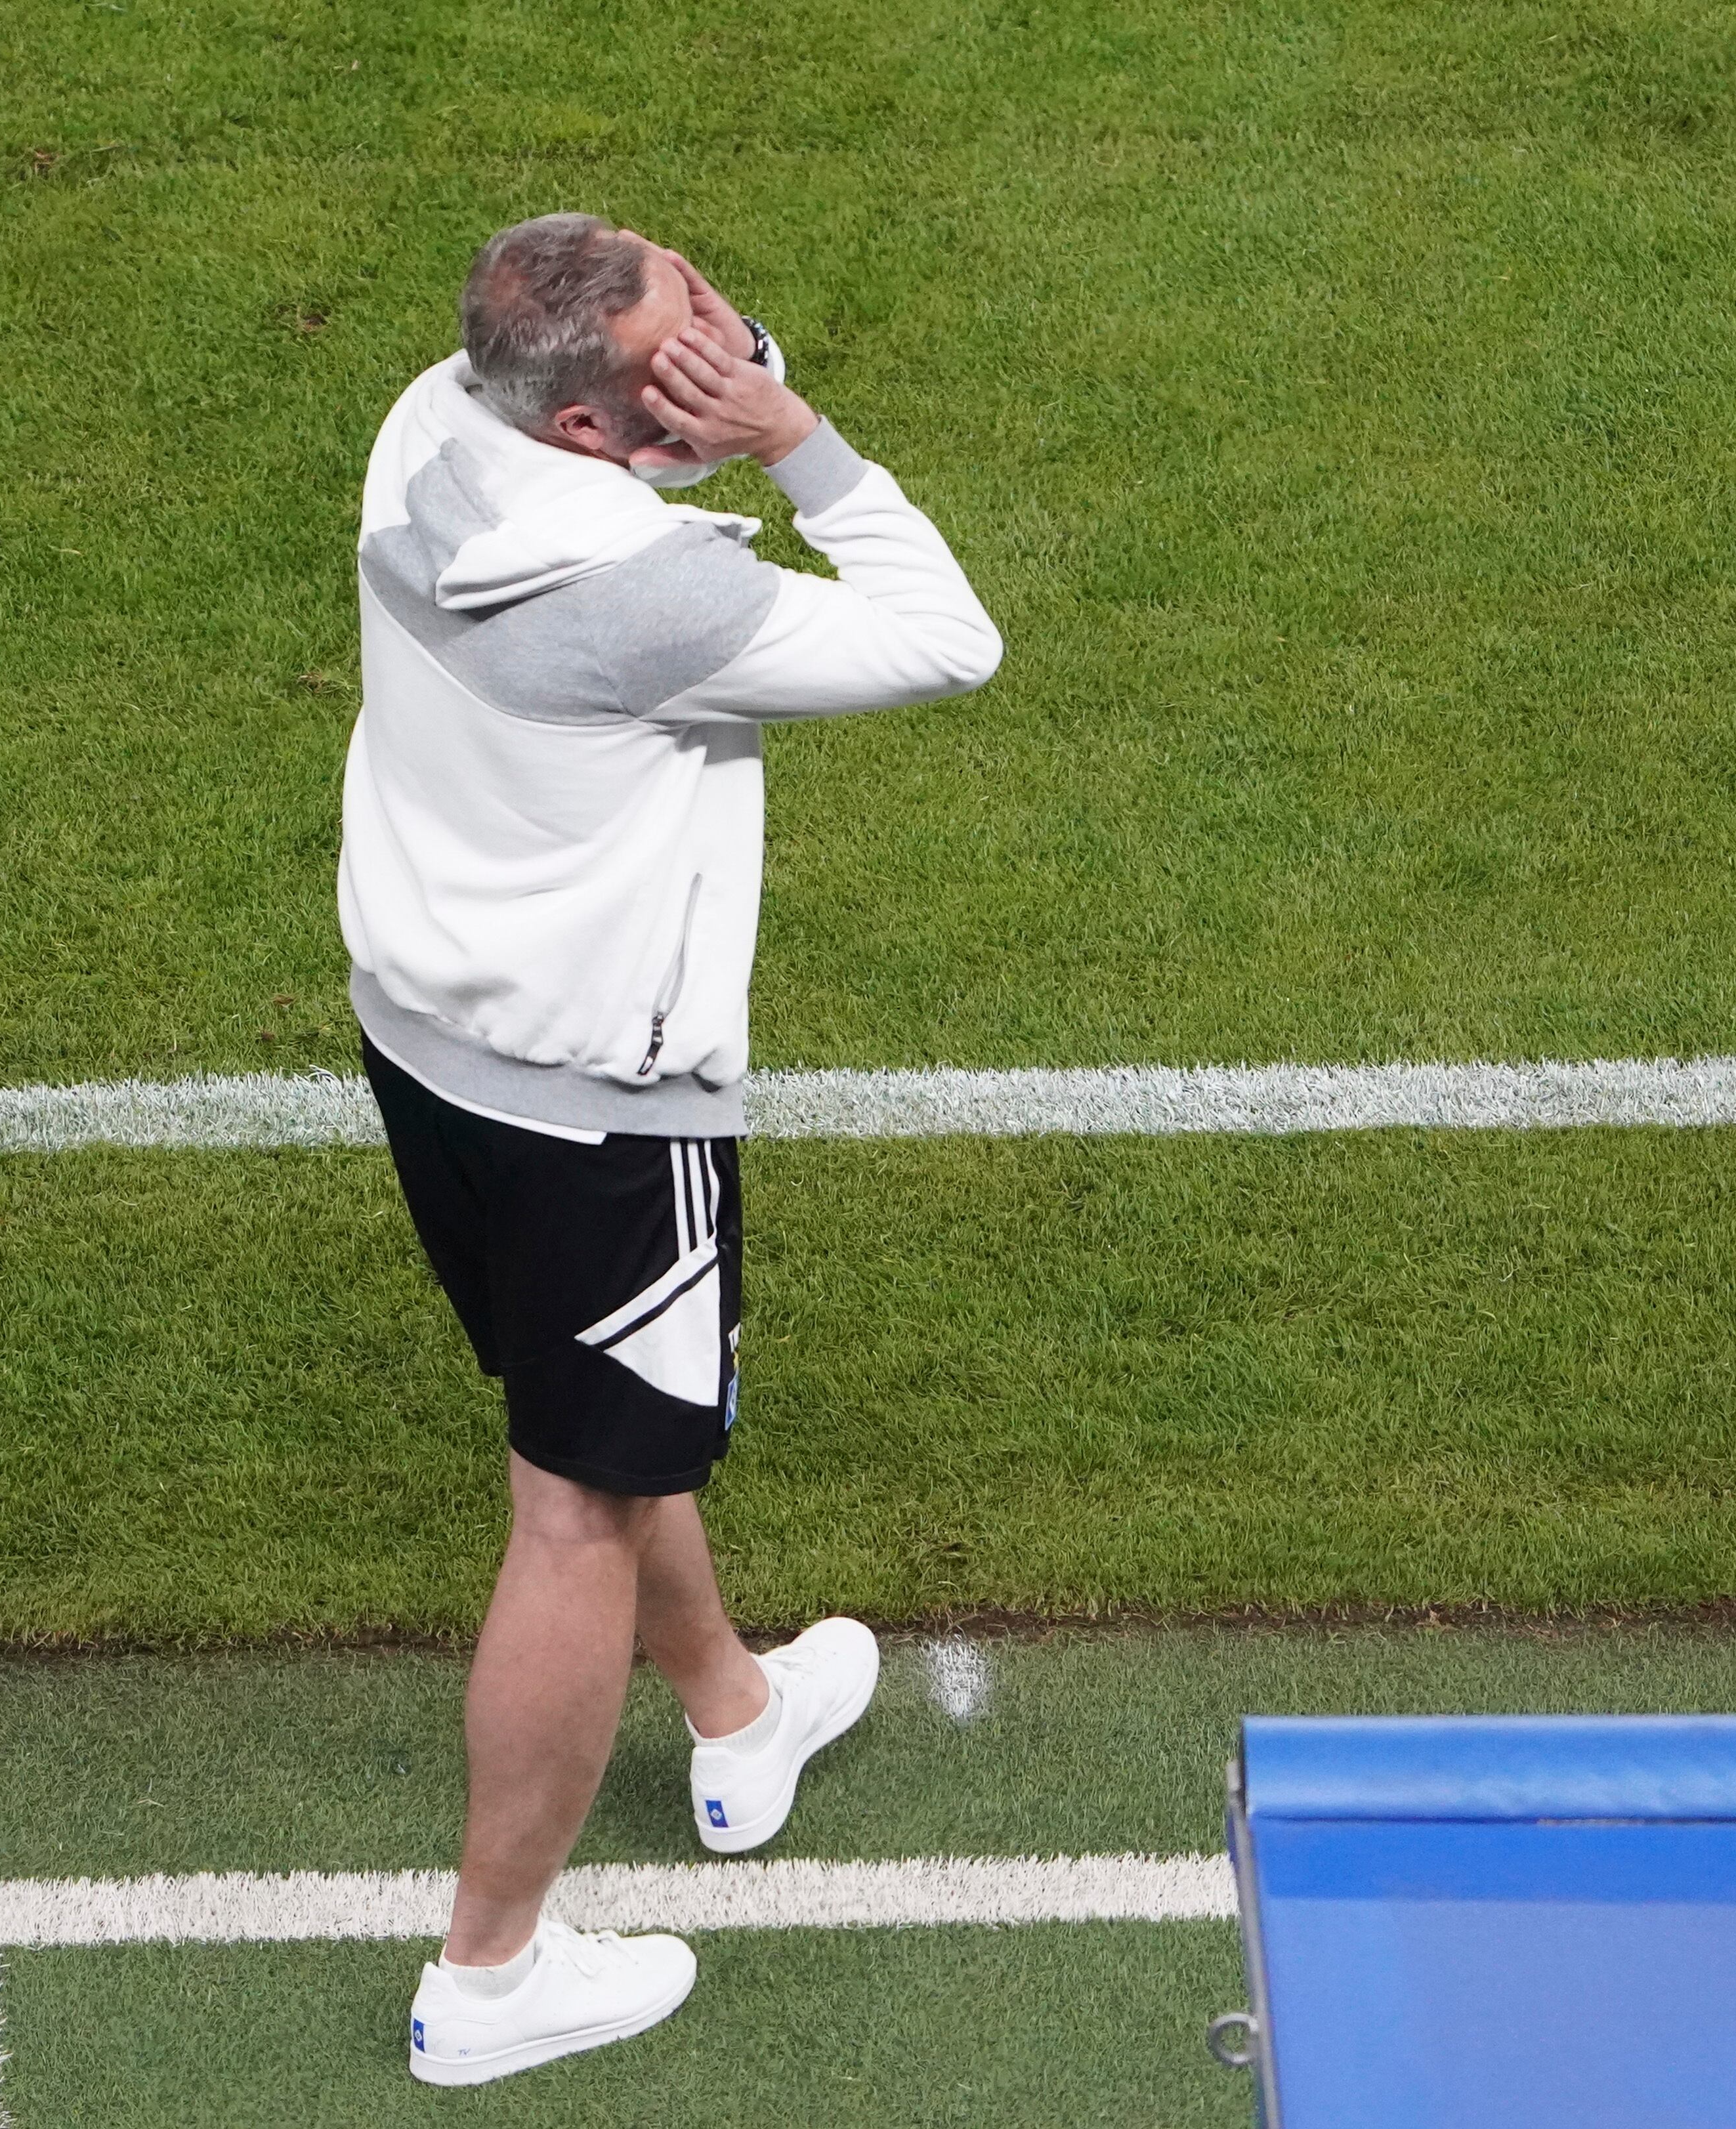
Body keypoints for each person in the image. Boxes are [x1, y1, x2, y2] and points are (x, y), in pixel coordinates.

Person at [337, 211, 1003, 2085]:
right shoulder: (650, 604)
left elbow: (635, 426)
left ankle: (734, 1709)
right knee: (568, 1514)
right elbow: (948, 642)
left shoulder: (432, 423)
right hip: (599, 1115)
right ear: (585, 424)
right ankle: (490, 1974)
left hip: (427, 1038)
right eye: (684, 319)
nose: (721, 320)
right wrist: (801, 443)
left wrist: (706, 368)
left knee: (599, 1443)